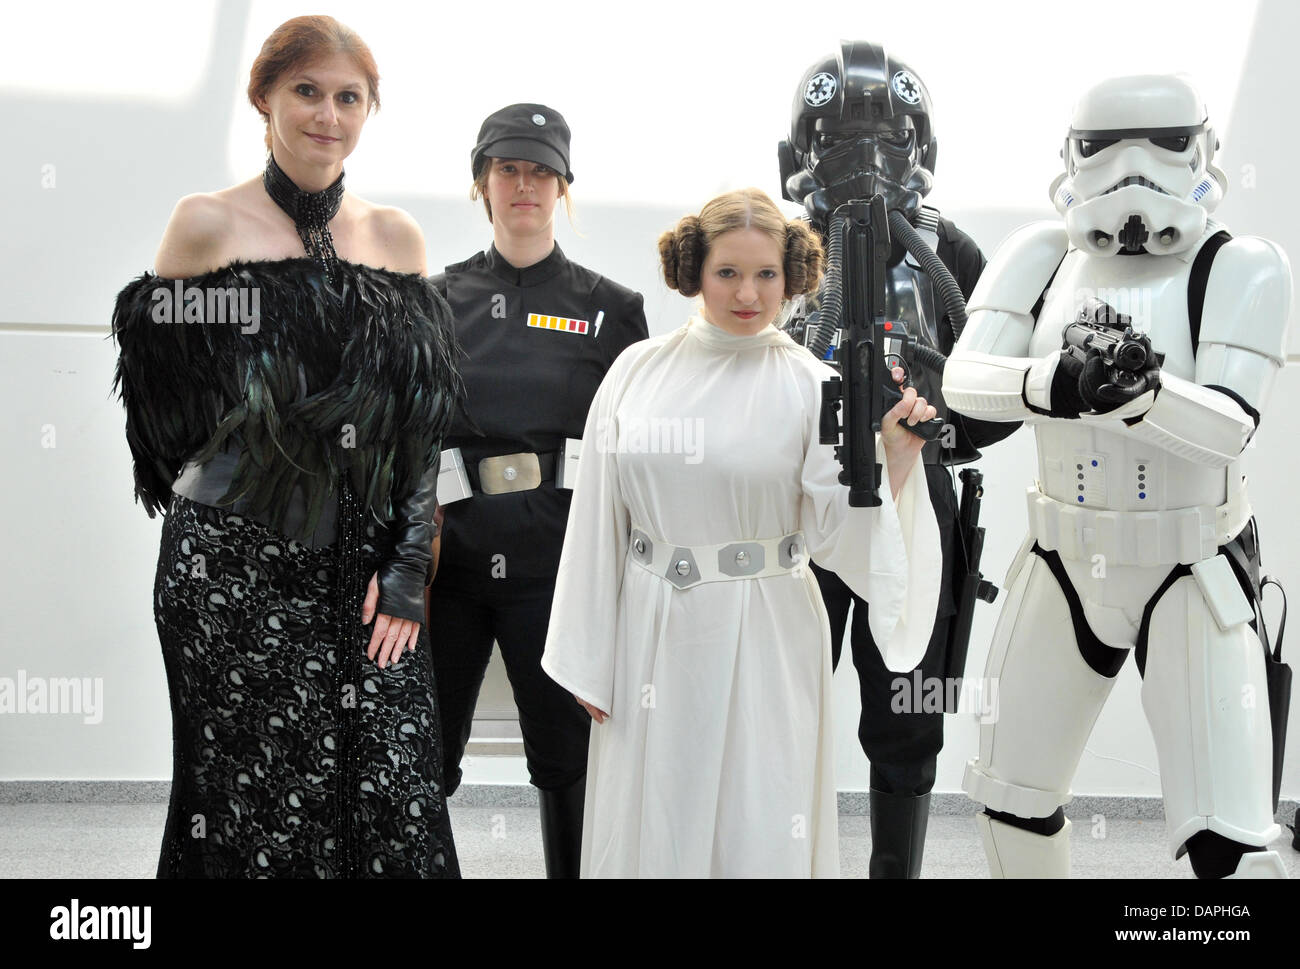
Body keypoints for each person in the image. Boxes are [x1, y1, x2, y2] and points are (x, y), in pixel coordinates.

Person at [110, 15, 462, 878]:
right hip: (230, 573)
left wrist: (411, 563)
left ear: (369, 111)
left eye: (348, 97)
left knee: (396, 789)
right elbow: (163, 414)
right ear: (263, 96)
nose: (326, 115)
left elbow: (420, 426)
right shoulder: (205, 226)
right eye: (306, 91)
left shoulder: (397, 240)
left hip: (366, 568)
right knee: (246, 797)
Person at [942, 74, 1292, 878]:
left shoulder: (1241, 265)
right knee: (1009, 800)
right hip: (1061, 556)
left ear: (1200, 148)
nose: (1132, 169)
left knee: (1228, 842)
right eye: (1104, 149)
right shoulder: (1039, 255)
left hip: (1194, 565)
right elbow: (965, 380)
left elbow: (1232, 426)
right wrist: (1053, 386)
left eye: (1163, 143)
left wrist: (1144, 394)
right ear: (1072, 155)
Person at [541, 188, 942, 877]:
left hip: (768, 632)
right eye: (728, 272)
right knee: (656, 816)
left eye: (766, 274)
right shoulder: (637, 371)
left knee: (760, 814)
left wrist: (896, 461)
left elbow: (833, 534)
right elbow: (598, 514)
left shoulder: (814, 385)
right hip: (651, 634)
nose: (748, 293)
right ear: (695, 269)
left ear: (793, 278)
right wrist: (587, 652)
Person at [778, 42, 1018, 878]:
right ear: (803, 151)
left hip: (921, 492)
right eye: (840, 139)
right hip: (805, 502)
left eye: (881, 137)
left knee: (912, 705)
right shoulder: (775, 249)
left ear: (921, 146)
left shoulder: (952, 256)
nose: (863, 161)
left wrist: (936, 420)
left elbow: (1001, 391)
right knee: (783, 694)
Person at [426, 103, 648, 878]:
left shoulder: (612, 309)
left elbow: (636, 452)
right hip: (448, 565)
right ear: (483, 183)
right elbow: (403, 442)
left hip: (560, 569)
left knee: (568, 759)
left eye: (540, 170)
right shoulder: (431, 301)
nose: (525, 184)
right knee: (422, 761)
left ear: (562, 187)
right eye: (508, 168)